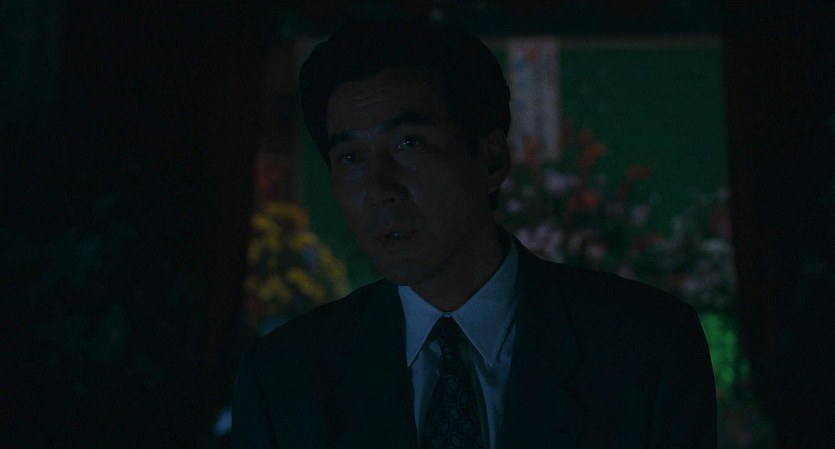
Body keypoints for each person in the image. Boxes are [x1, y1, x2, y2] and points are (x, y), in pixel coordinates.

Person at [232, 18, 716, 449]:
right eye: (351, 158)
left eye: (408, 144)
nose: (379, 189)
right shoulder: (286, 379)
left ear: (491, 159)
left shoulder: (644, 351)